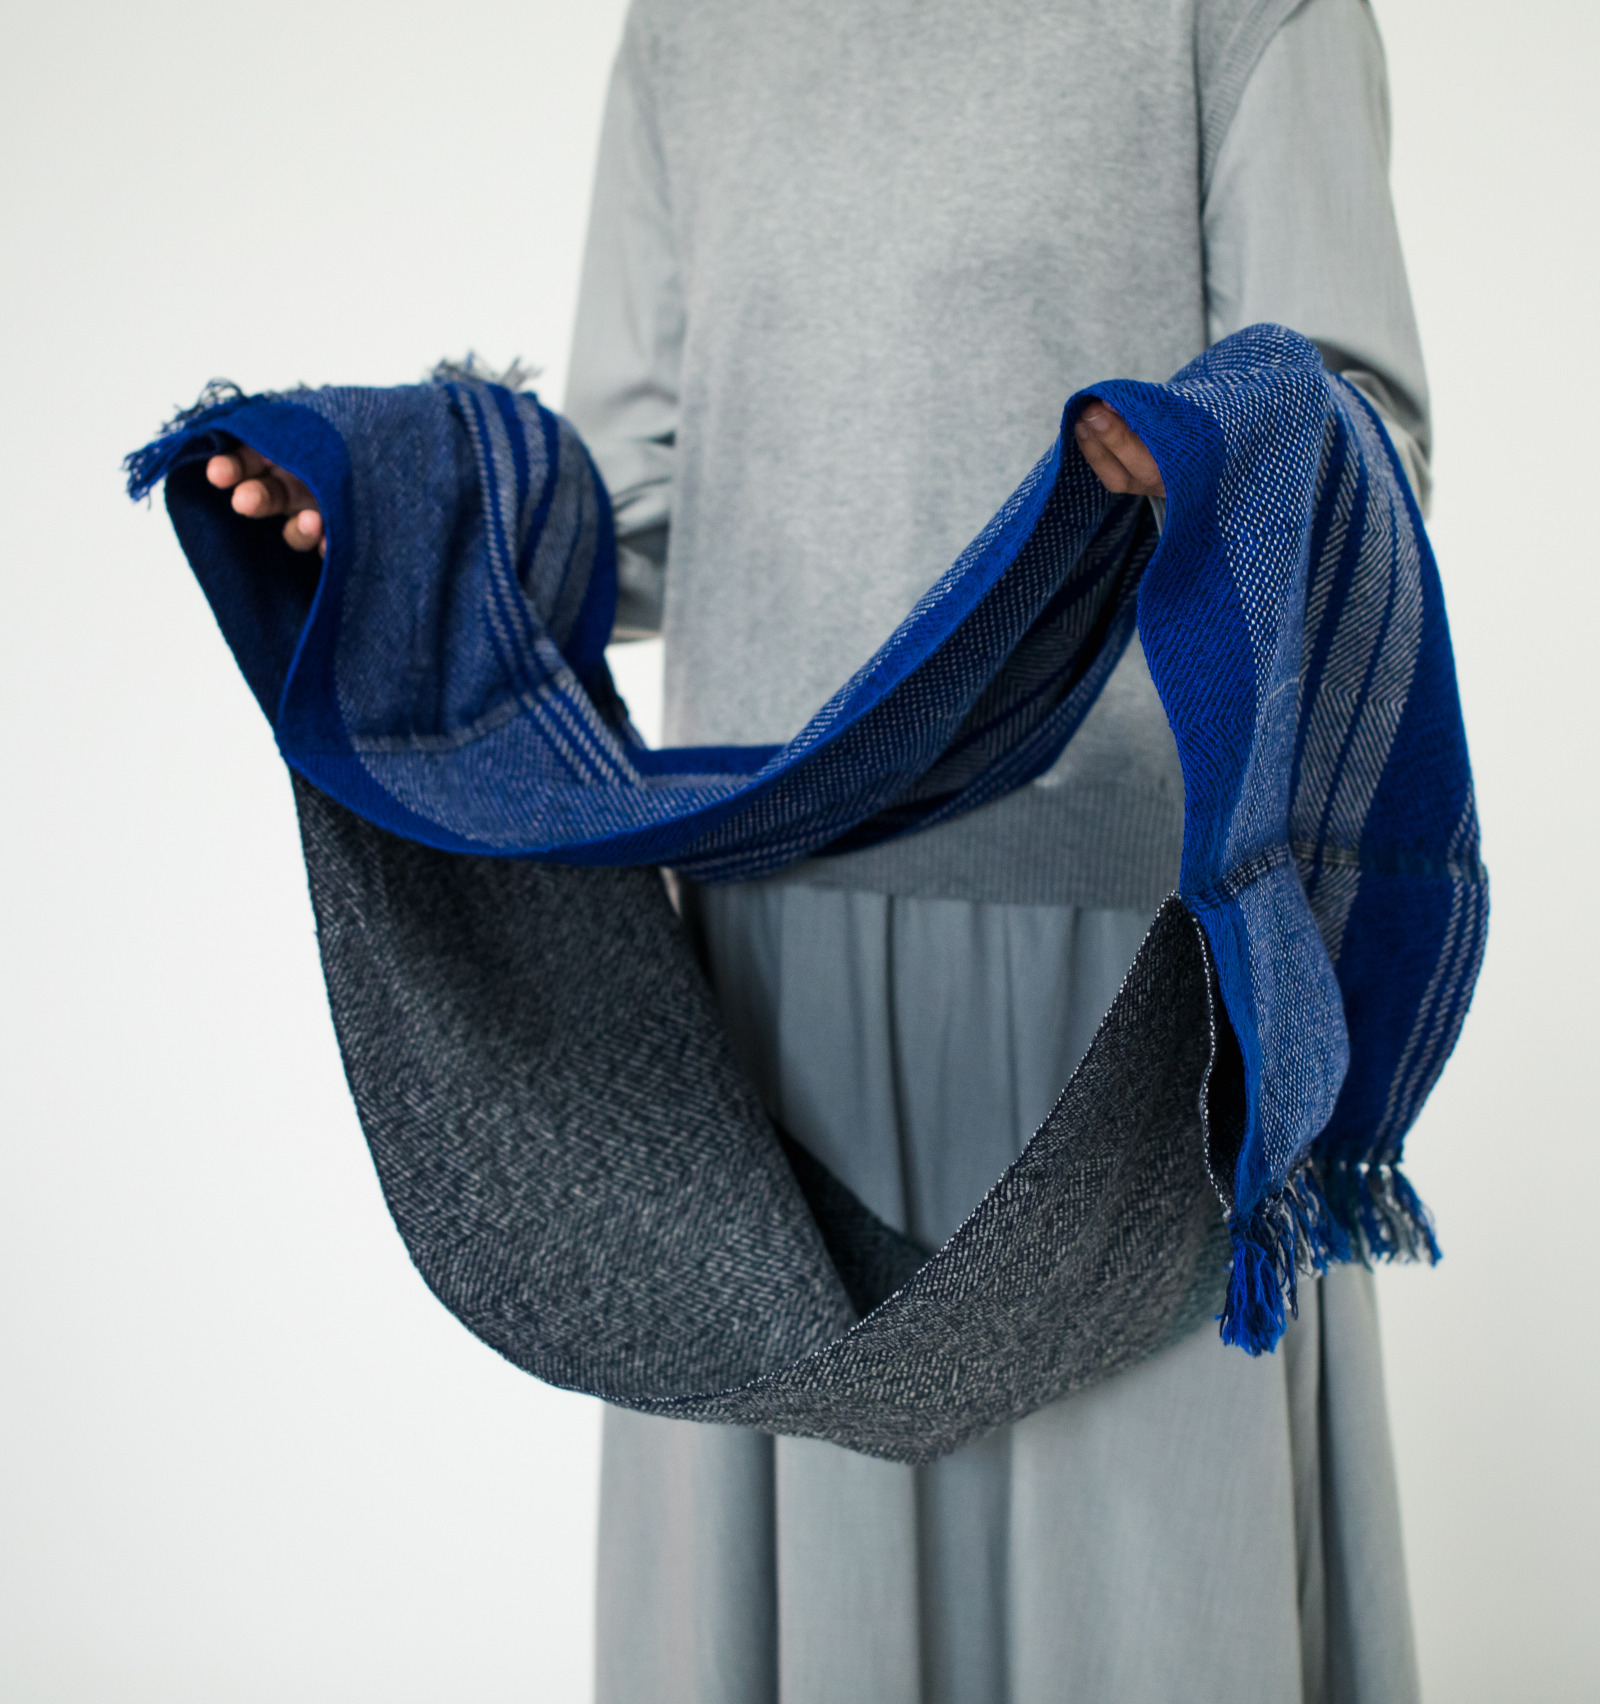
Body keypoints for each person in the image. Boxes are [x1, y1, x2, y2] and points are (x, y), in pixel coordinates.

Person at [206, 0, 1431, 1697]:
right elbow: (632, 505)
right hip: (764, 982)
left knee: (1148, 1608)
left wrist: (1218, 446)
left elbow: (1367, 432)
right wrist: (395, 514)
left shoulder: (1236, 14)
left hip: (1126, 989)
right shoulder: (691, 36)